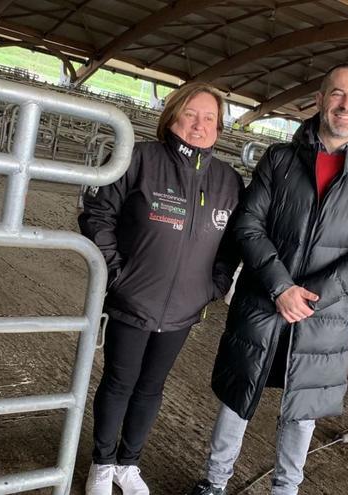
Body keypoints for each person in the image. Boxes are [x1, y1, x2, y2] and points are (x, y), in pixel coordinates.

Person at [187, 64, 348, 495]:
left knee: (303, 408)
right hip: (265, 301)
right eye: (337, 94)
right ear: (319, 100)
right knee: (239, 395)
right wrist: (281, 287)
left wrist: (311, 297)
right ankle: (214, 481)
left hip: (321, 316)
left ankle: (286, 489)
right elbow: (247, 224)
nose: (346, 105)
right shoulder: (279, 160)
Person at [79, 83, 243, 495]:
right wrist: (116, 273)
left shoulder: (228, 181)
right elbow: (99, 214)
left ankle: (128, 464)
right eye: (191, 114)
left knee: (152, 387)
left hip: (185, 309)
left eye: (209, 118)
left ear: (219, 128)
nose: (199, 125)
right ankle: (102, 463)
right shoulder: (141, 160)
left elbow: (234, 244)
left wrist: (213, 286)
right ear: (172, 117)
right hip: (132, 299)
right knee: (119, 381)